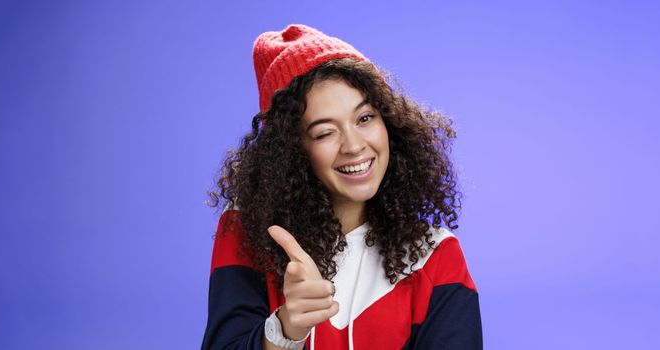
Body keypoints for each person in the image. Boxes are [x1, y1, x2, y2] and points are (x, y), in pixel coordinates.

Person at [202, 24, 482, 350]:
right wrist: (284, 329)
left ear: (389, 120)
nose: (354, 146)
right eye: (324, 133)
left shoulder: (435, 255)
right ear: (292, 152)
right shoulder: (248, 230)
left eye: (365, 118)